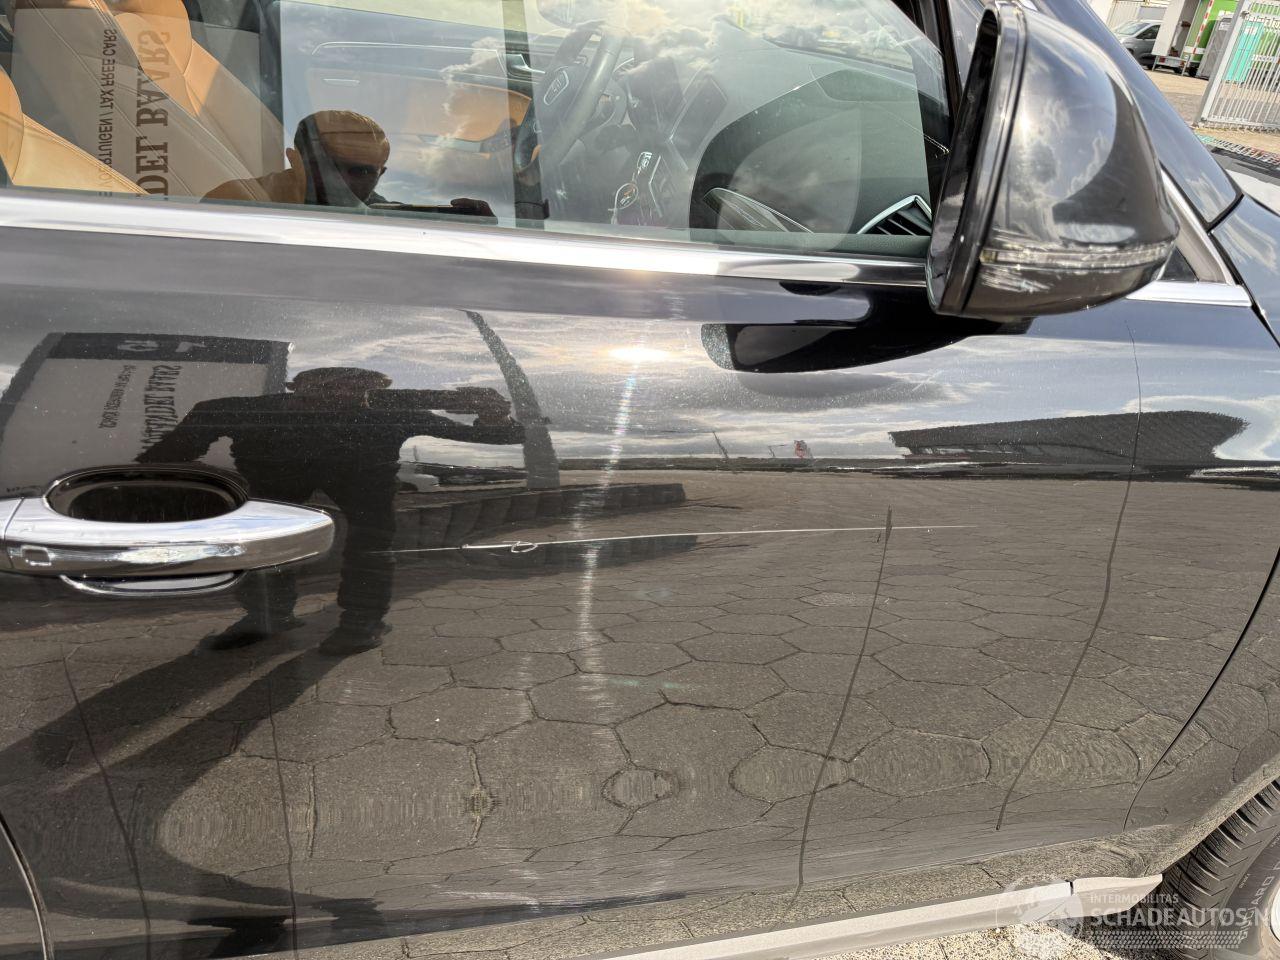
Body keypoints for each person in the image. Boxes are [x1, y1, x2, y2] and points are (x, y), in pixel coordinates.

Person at [139, 367, 524, 653]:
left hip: (363, 482)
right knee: (263, 545)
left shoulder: (393, 411)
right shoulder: (239, 410)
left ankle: (362, 620)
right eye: (328, 384)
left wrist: (493, 413)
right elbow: (165, 456)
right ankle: (267, 615)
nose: (345, 393)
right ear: (295, 386)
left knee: (370, 543)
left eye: (361, 387)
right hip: (276, 481)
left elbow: (495, 436)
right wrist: (221, 484)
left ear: (375, 392)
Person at [206, 110, 393, 207]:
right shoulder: (235, 201)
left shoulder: (389, 219)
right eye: (326, 165)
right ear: (293, 159)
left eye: (362, 171)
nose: (341, 180)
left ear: (381, 173)